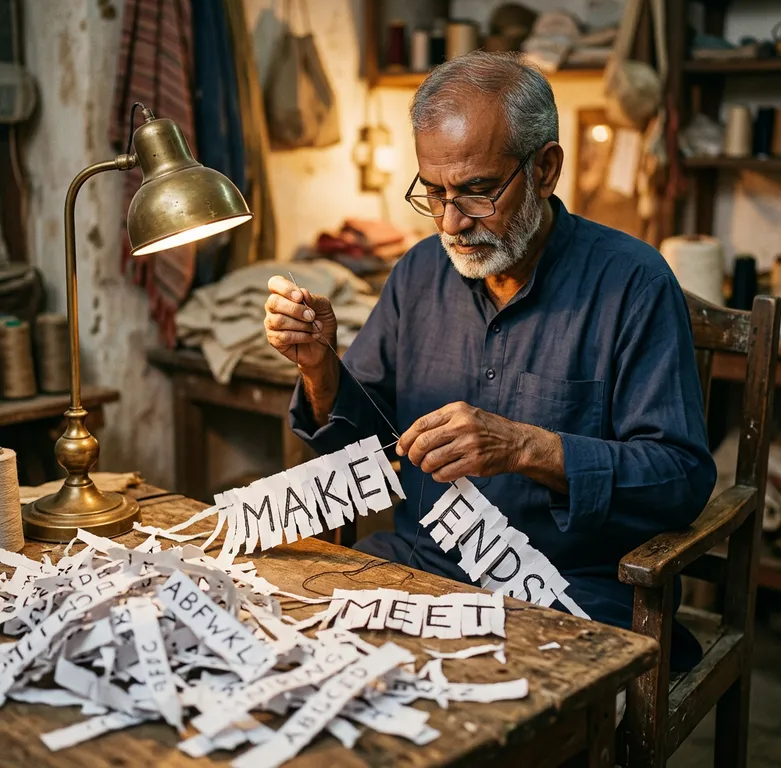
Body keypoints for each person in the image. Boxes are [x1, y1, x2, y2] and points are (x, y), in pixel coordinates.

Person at [264, 51, 716, 670]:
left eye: (477, 191)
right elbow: (363, 447)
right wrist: (320, 369)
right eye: (434, 193)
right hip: (424, 564)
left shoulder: (632, 283)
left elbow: (680, 479)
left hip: (569, 591)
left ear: (546, 169)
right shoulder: (420, 272)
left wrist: (528, 449)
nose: (452, 222)